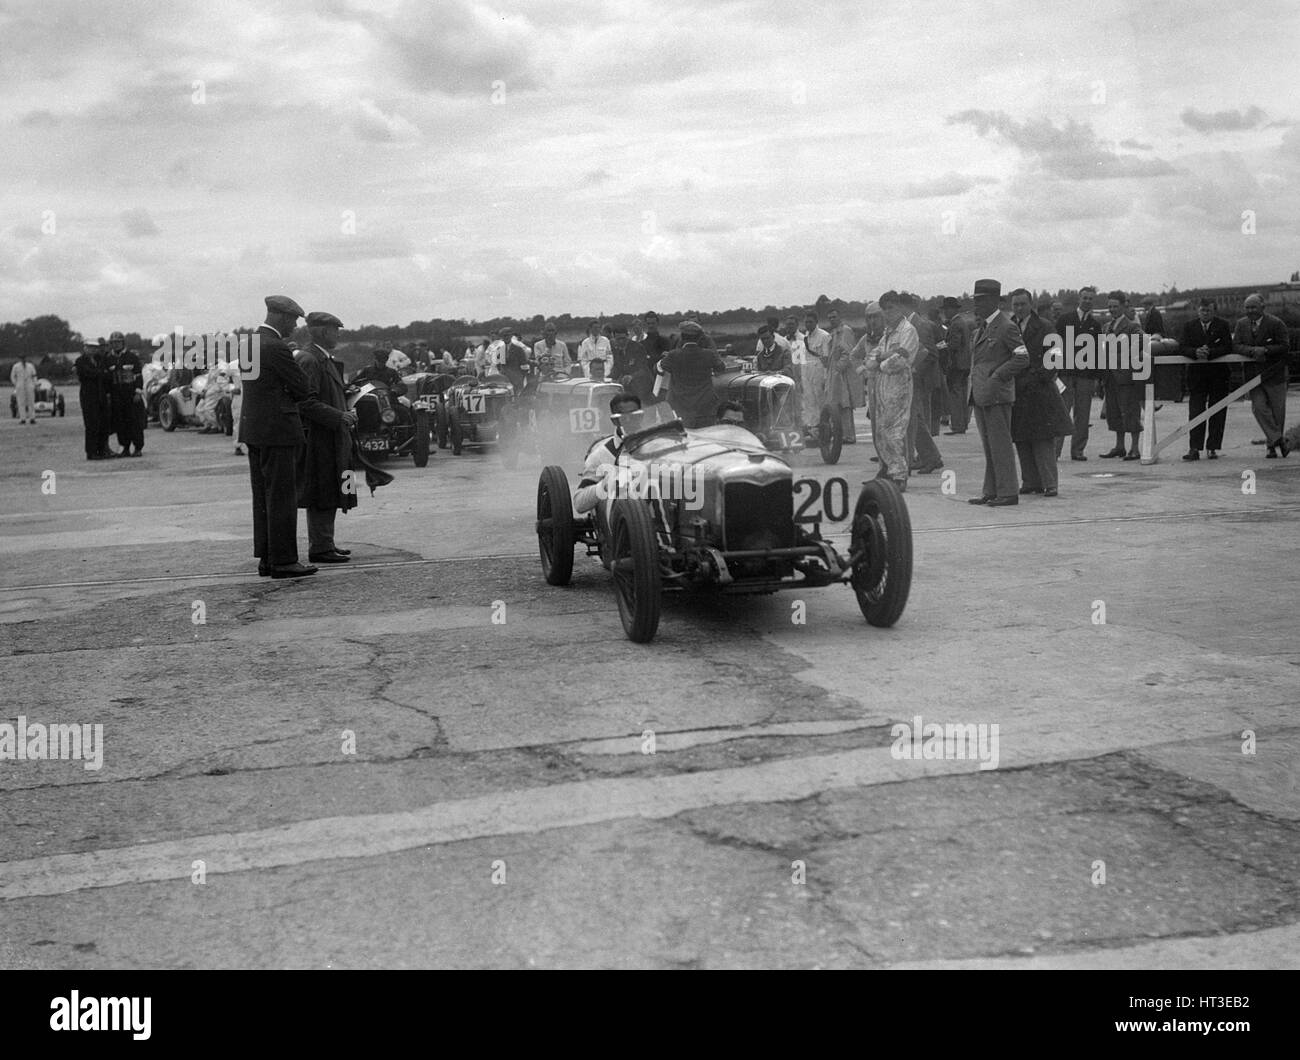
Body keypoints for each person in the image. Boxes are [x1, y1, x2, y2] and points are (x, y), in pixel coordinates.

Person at [238, 295, 318, 579]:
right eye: (294, 320)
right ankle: (284, 561)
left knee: (262, 497)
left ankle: (268, 558)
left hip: (255, 429)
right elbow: (303, 387)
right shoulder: (277, 348)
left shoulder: (249, 344)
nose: (295, 326)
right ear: (282, 317)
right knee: (282, 497)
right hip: (279, 431)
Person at [295, 311, 360, 565]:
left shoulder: (320, 358)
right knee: (322, 491)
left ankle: (325, 542)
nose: (338, 334)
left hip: (329, 436)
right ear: (323, 331)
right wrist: (338, 416)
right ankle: (320, 547)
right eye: (335, 329)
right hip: (320, 439)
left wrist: (343, 392)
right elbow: (305, 402)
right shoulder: (310, 359)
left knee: (332, 488)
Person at [968, 278, 1028, 506]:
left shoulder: (1006, 327)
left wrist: (998, 376)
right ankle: (992, 490)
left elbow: (1022, 357)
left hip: (997, 395)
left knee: (1000, 446)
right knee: (990, 446)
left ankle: (1008, 492)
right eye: (976, 300)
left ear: (994, 301)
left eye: (981, 300)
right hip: (982, 395)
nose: (976, 305)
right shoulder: (982, 328)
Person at [1009, 288, 1072, 497]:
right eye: (1015, 304)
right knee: (1022, 439)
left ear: (1031, 305)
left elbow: (1055, 357)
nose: (1018, 308)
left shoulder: (1045, 327)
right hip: (1018, 391)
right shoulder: (1009, 327)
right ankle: (1030, 482)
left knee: (1042, 440)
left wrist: (1037, 376)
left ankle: (1050, 483)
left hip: (1040, 390)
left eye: (1022, 304)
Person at [861, 294, 916, 491]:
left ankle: (899, 475)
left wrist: (880, 362)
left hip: (899, 389)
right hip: (881, 389)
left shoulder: (908, 331)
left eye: (891, 308)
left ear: (900, 307)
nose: (887, 313)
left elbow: (901, 360)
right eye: (884, 309)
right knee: (881, 432)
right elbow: (870, 357)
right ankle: (888, 471)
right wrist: (883, 358)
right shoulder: (888, 333)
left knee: (895, 433)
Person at [1233, 293, 1290, 457]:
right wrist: (1251, 351)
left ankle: (1271, 447)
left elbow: (1284, 346)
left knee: (1278, 412)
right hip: (1253, 376)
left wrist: (1265, 350)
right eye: (1247, 307)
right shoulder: (1241, 324)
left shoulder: (1276, 323)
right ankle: (1279, 440)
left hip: (1274, 375)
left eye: (1253, 307)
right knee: (1259, 409)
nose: (1250, 310)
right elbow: (1236, 345)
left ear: (1262, 307)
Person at [1178, 298, 1234, 460]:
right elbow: (1182, 347)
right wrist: (1195, 352)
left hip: (1218, 375)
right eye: (1202, 310)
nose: (1205, 313)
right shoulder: (1189, 326)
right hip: (1197, 376)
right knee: (1196, 411)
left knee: (1218, 411)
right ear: (1198, 310)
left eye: (1208, 310)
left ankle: (1213, 447)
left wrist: (1210, 352)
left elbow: (1227, 346)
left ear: (1214, 311)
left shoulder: (1222, 325)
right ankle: (1194, 448)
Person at [574, 393, 643, 514]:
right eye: (624, 416)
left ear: (641, 416)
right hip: (623, 521)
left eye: (635, 415)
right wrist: (607, 483)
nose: (630, 420)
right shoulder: (601, 455)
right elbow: (579, 502)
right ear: (614, 420)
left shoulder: (659, 444)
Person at [1053, 287, 1101, 460]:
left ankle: (1078, 450)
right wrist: (1055, 371)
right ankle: (1055, 451)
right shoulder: (1064, 320)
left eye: (1090, 298)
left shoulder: (1095, 326)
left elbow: (1097, 354)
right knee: (1061, 411)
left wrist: (1096, 377)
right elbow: (1055, 345)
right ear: (1079, 299)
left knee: (1083, 414)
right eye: (1085, 298)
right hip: (1065, 373)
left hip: (1085, 376)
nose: (1087, 301)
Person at [1099, 290, 1144, 460]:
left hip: (1125, 377)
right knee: (1114, 412)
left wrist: (1120, 356)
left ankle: (1135, 448)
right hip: (1110, 376)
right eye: (1110, 306)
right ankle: (1119, 446)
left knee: (1130, 411)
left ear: (1123, 306)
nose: (1112, 310)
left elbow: (1141, 343)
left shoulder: (1132, 326)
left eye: (1115, 306)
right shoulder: (1106, 327)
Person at [901, 293, 943, 473]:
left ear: (906, 307)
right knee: (914, 419)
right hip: (913, 379)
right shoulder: (907, 326)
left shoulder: (921, 325)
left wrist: (914, 370)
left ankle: (931, 457)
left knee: (915, 419)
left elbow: (931, 354)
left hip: (920, 379)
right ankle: (926, 456)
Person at [658, 324, 727, 428]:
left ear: (682, 337)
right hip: (705, 408)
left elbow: (660, 367)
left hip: (680, 408)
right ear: (699, 338)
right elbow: (721, 367)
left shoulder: (674, 355)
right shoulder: (708, 354)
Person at [826, 308, 861, 443]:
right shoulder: (834, 333)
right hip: (835, 373)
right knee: (837, 405)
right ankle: (842, 434)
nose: (831, 320)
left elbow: (848, 353)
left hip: (841, 374)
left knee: (845, 405)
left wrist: (837, 369)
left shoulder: (845, 331)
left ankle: (848, 435)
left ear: (840, 317)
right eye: (829, 317)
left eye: (834, 317)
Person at [74, 341, 113, 459]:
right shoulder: (80, 361)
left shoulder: (100, 359)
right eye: (90, 347)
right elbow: (86, 374)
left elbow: (107, 375)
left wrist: (100, 374)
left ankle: (102, 450)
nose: (93, 350)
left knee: (103, 424)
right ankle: (91, 452)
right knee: (91, 424)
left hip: (101, 394)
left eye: (95, 348)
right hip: (88, 396)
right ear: (85, 348)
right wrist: (101, 373)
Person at [940, 296, 972, 434]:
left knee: (955, 396)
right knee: (962, 395)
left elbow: (954, 344)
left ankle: (958, 425)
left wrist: (942, 347)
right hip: (964, 364)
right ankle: (962, 424)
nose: (945, 312)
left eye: (946, 309)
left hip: (956, 364)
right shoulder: (962, 322)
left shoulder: (955, 324)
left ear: (952, 309)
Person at [10, 352, 37, 425]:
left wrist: (34, 384)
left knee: (31, 402)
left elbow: (34, 375)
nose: (23, 359)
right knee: (21, 402)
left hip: (29, 384)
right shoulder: (16, 366)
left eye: (24, 358)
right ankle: (23, 419)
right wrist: (16, 384)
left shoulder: (30, 366)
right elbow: (12, 376)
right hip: (20, 385)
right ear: (20, 358)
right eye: (22, 358)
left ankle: (32, 418)